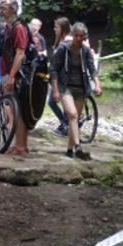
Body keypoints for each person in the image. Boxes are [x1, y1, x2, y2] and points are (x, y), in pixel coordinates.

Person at [50, 22, 101, 160]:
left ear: (84, 37)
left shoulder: (86, 51)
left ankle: (69, 149)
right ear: (72, 35)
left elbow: (92, 69)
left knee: (75, 119)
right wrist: (55, 90)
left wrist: (97, 85)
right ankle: (78, 147)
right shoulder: (63, 49)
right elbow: (53, 69)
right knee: (72, 115)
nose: (78, 38)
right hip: (65, 86)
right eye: (76, 35)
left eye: (81, 36)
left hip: (81, 88)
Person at [0, 0, 30, 155]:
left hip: (16, 75)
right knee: (17, 109)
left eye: (4, 8)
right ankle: (20, 145)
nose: (0, 11)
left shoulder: (18, 28)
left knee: (18, 110)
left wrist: (11, 76)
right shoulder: (10, 27)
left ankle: (20, 147)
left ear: (12, 10)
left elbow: (20, 53)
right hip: (8, 73)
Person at [50, 17, 71, 136]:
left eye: (56, 27)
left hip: (64, 79)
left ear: (63, 29)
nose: (54, 29)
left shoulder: (67, 43)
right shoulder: (59, 42)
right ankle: (65, 123)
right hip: (57, 78)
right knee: (52, 102)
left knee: (62, 103)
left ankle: (66, 124)